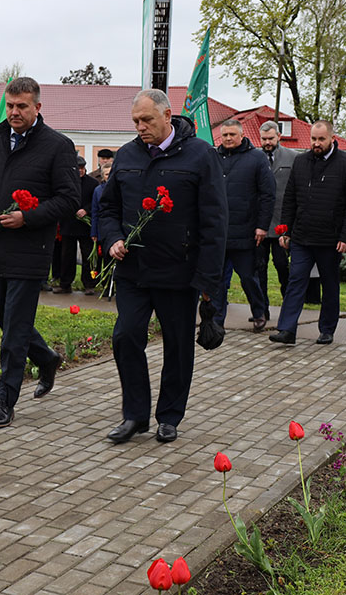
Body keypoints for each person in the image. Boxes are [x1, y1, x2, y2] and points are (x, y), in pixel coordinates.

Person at [100, 89, 227, 444]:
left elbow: (215, 221)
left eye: (147, 120)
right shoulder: (126, 156)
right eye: (136, 122)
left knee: (177, 344)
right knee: (125, 336)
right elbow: (107, 208)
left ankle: (169, 416)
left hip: (179, 270)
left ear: (167, 115)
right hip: (134, 270)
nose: (140, 127)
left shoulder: (201, 155)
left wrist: (208, 280)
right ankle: (135, 415)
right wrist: (112, 238)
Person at [0, 77, 80, 428]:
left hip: (32, 249)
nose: (14, 112)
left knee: (15, 330)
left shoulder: (57, 146)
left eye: (22, 107)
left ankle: (5, 400)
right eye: (10, 106)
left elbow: (69, 199)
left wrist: (27, 217)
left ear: (37, 107)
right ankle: (46, 357)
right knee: (3, 317)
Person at [270, 120, 346, 345]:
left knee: (329, 284)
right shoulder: (300, 162)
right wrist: (285, 230)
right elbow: (290, 198)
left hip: (331, 238)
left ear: (332, 138)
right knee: (295, 280)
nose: (316, 143)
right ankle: (287, 329)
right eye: (313, 139)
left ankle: (327, 329)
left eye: (321, 139)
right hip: (302, 235)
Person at [210, 119, 275, 332]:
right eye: (225, 135)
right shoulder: (213, 157)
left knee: (249, 277)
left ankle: (259, 312)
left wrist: (262, 226)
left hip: (246, 231)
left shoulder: (256, 158)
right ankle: (217, 320)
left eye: (232, 134)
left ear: (241, 135)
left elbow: (267, 195)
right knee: (218, 280)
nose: (228, 138)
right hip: (219, 232)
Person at [257, 120, 296, 317]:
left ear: (279, 136)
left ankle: (288, 310)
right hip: (260, 225)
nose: (267, 142)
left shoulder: (294, 157)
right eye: (264, 139)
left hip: (283, 224)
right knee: (259, 269)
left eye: (271, 138)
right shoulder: (253, 158)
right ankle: (261, 310)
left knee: (283, 267)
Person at [55, 156, 100, 295]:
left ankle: (89, 284)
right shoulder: (66, 182)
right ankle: (65, 284)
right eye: (77, 168)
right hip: (68, 223)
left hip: (85, 225)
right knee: (67, 256)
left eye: (82, 168)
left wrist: (86, 209)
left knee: (87, 256)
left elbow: (96, 201)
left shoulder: (92, 183)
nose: (80, 171)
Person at [90, 156, 113, 280]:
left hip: (113, 227)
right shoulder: (98, 190)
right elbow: (94, 211)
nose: (108, 177)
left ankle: (109, 282)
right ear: (102, 176)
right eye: (105, 174)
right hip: (101, 227)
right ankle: (99, 281)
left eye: (110, 174)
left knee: (110, 258)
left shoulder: (117, 188)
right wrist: (94, 232)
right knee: (99, 257)